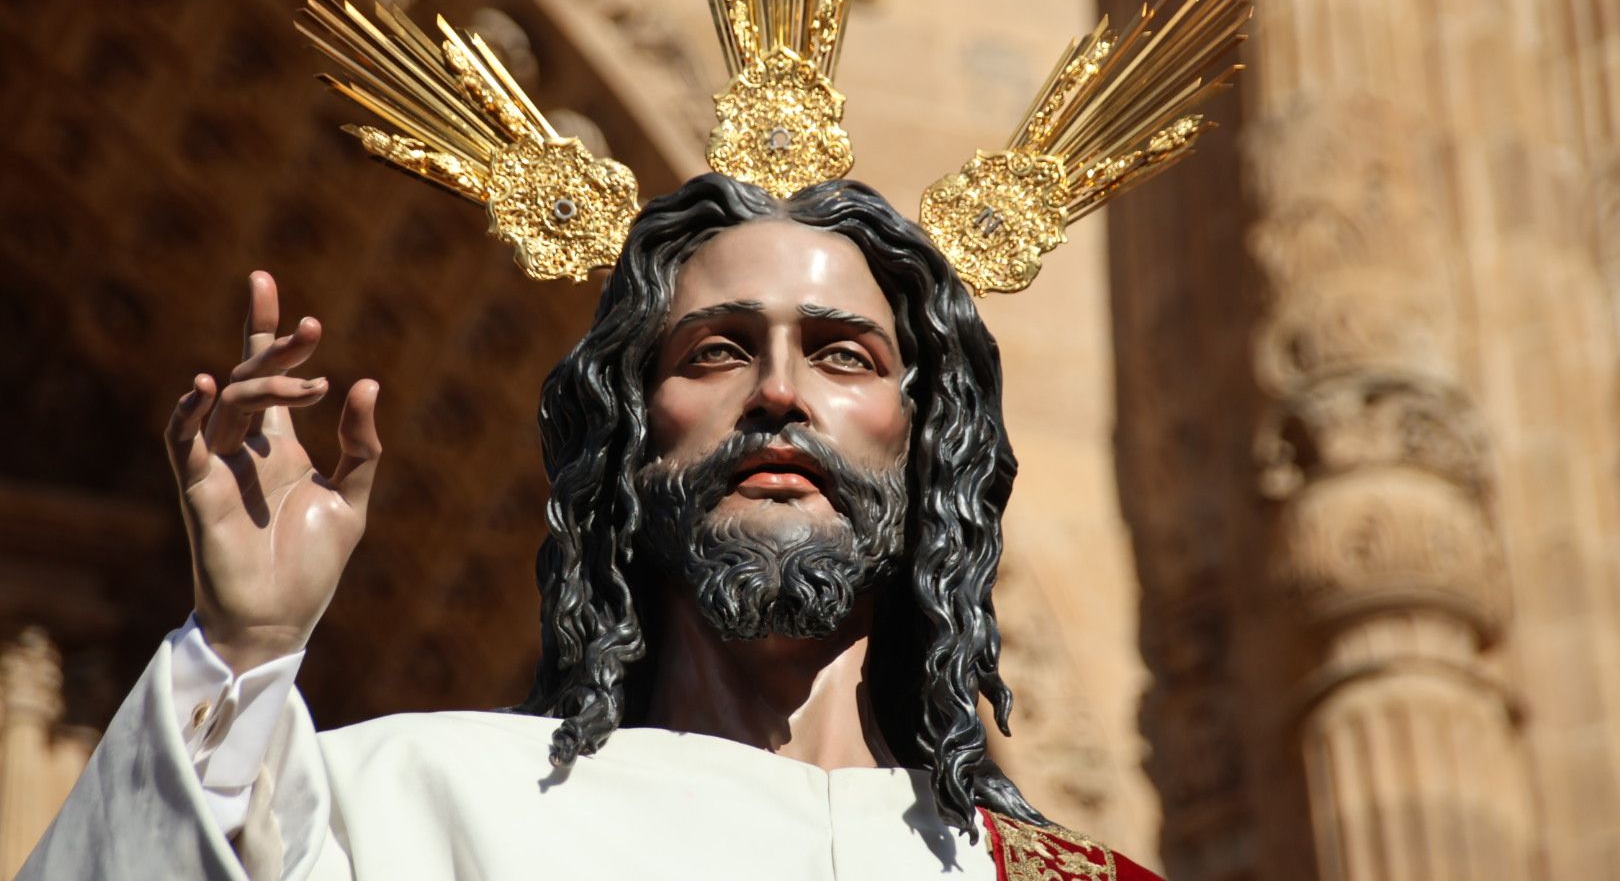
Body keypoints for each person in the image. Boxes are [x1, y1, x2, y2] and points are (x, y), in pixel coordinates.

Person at [19, 175, 1161, 880]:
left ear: (924, 443)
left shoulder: (1061, 879)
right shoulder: (418, 803)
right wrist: (242, 650)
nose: (777, 392)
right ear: (628, 440)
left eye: (842, 353)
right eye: (716, 349)